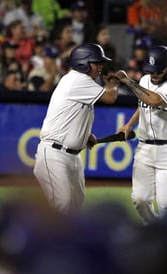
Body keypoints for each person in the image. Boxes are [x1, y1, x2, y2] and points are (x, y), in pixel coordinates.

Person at [33, 43, 119, 214]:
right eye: (97, 62)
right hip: (54, 154)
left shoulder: (79, 81)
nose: (101, 66)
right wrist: (114, 82)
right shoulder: (78, 79)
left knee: (74, 207)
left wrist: (85, 135)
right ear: (83, 63)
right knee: (61, 204)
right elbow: (111, 97)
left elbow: (73, 114)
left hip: (71, 156)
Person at [114, 45, 167, 224]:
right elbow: (143, 104)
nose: (153, 74)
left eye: (158, 70)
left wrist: (127, 81)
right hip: (145, 147)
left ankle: (165, 242)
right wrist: (128, 125)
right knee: (139, 199)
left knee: (166, 204)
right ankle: (153, 228)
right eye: (150, 70)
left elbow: (153, 100)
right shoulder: (145, 80)